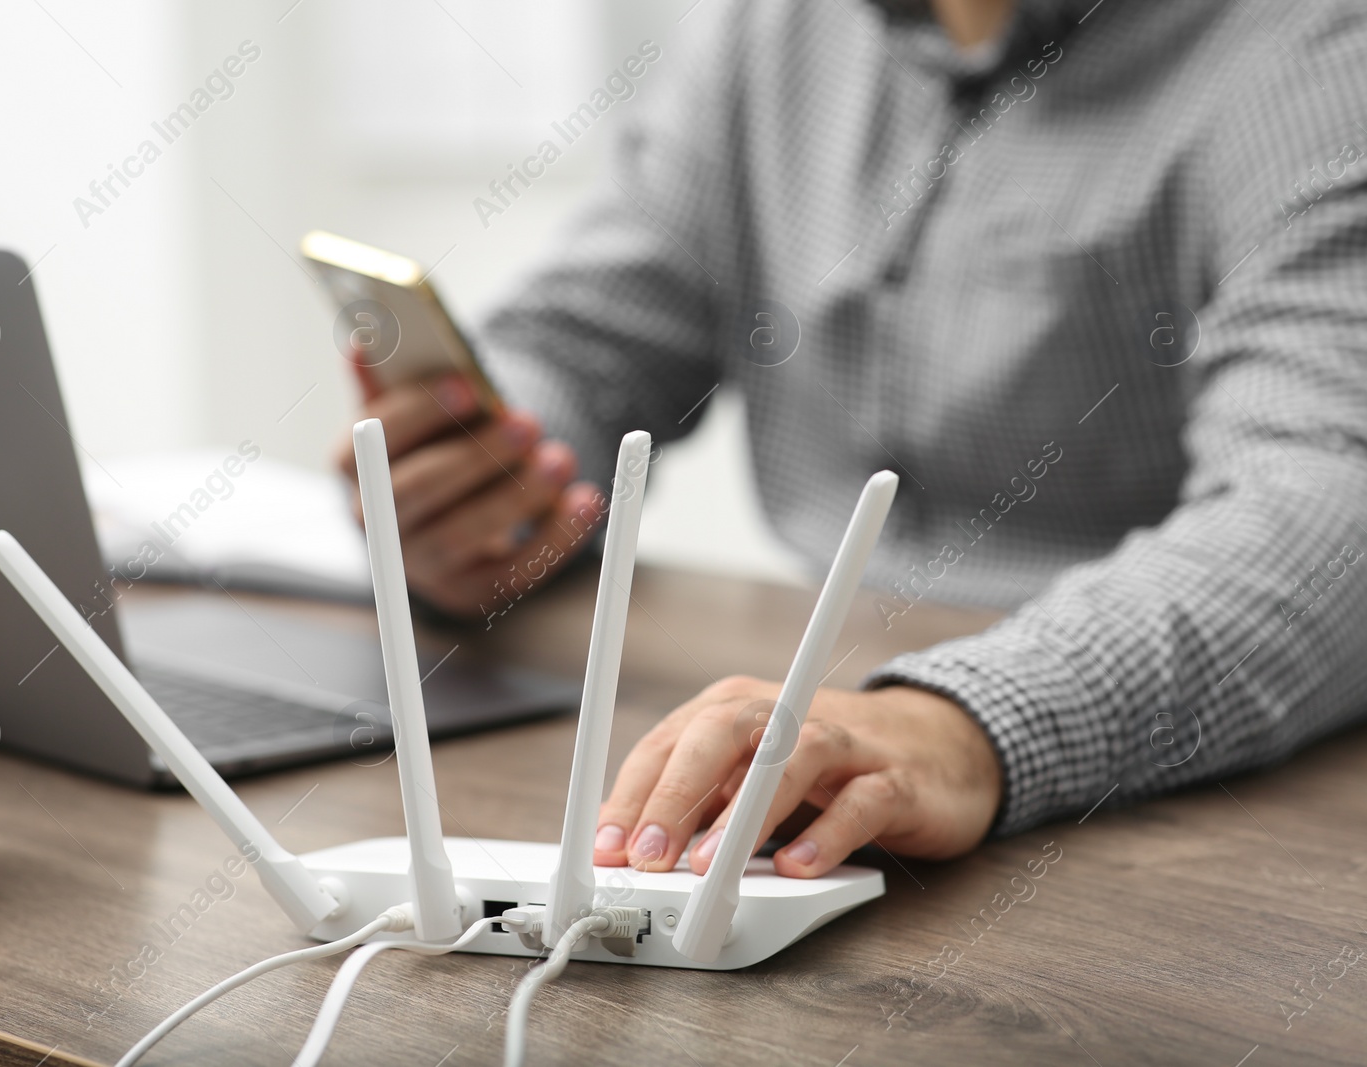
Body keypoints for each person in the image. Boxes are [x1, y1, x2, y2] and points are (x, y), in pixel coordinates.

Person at [337, 0, 1367, 880]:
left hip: (1171, 803)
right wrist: (493, 487)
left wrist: (958, 721)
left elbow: (1331, 502)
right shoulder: (778, 31)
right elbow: (583, 340)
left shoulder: (1314, 53)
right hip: (815, 749)